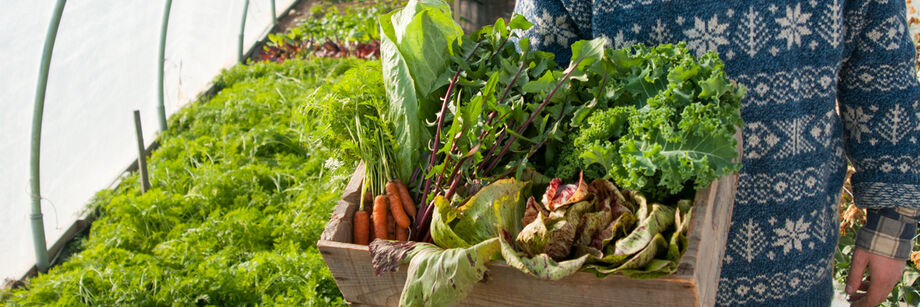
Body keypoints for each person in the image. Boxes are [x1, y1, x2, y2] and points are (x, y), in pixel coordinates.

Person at [513, 0, 920, 306]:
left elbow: (882, 67)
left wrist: (892, 220)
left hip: (787, 266)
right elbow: (529, 81)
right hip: (628, 275)